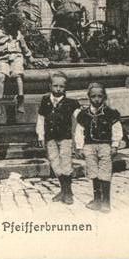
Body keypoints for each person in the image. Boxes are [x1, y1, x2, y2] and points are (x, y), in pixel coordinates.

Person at [75, 82, 123, 213]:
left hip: (105, 146)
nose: (96, 99)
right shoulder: (83, 114)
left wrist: (115, 145)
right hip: (89, 146)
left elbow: (117, 130)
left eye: (100, 96)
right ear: (89, 97)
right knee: (93, 172)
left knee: (105, 172)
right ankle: (97, 199)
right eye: (93, 96)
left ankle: (106, 202)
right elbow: (79, 131)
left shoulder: (111, 113)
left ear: (104, 97)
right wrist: (79, 147)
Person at [36, 71, 81, 205]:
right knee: (55, 163)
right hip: (50, 138)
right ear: (50, 86)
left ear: (65, 87)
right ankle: (63, 190)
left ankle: (68, 193)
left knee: (66, 163)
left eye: (61, 86)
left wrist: (79, 141)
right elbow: (41, 118)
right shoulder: (45, 101)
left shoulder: (71, 103)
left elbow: (80, 121)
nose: (58, 89)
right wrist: (40, 135)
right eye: (55, 86)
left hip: (65, 138)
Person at [0, 12, 35, 116]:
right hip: (2, 58)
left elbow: (24, 48)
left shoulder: (18, 34)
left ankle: (20, 100)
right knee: (1, 77)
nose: (14, 31)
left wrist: (30, 58)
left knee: (18, 76)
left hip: (16, 57)